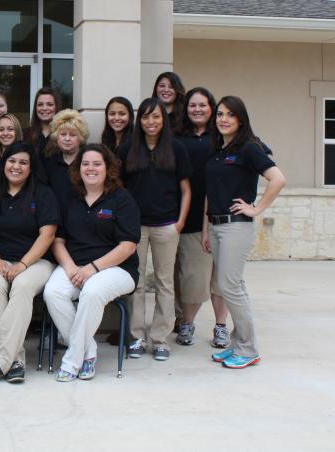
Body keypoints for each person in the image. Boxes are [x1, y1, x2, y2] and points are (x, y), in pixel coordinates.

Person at [43, 144, 140, 382]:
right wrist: (70, 268)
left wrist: (93, 269)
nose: (91, 168)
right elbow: (58, 240)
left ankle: (72, 361)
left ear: (108, 168)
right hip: (75, 265)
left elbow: (128, 246)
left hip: (116, 269)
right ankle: (89, 351)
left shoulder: (122, 198)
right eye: (85, 164)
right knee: (53, 292)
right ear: (78, 168)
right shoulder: (70, 197)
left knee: (92, 291)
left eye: (97, 164)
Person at [205, 96, 285, 369]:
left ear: (241, 119)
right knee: (232, 285)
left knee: (229, 285)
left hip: (236, 226)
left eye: (230, 114)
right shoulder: (219, 149)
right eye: (219, 114)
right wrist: (206, 228)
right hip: (216, 225)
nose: (223, 119)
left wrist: (257, 208)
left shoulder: (249, 148)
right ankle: (238, 343)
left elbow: (278, 179)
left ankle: (248, 349)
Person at [0, 143, 58, 384]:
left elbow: (47, 235)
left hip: (36, 261)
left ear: (31, 168)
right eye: (12, 161)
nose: (16, 166)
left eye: (23, 162)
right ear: (3, 164)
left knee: (21, 286)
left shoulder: (43, 194)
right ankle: (16, 360)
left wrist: (23, 264)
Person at [117, 98, 191, 361]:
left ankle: (160, 338)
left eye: (156, 117)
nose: (151, 122)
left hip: (166, 225)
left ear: (164, 120)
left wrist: (179, 222)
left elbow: (186, 189)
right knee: (135, 282)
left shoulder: (177, 148)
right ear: (140, 121)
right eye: (146, 117)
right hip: (134, 228)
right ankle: (137, 337)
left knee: (164, 283)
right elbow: (118, 188)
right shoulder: (127, 149)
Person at [174, 87, 230, 348]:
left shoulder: (224, 136)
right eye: (192, 105)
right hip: (192, 218)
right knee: (193, 278)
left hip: (225, 216)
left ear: (212, 107)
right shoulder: (177, 138)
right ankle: (187, 322)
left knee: (222, 278)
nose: (197, 109)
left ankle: (221, 326)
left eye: (203, 105)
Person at [42, 108, 89, 204]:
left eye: (72, 135)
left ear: (80, 138)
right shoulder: (49, 164)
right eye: (63, 134)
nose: (67, 139)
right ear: (56, 137)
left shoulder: (88, 163)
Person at [24, 87, 61, 161]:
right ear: (35, 108)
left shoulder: (64, 134)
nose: (44, 108)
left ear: (56, 107)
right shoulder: (25, 134)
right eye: (40, 104)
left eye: (49, 104)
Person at [0, 113, 23, 177]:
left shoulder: (26, 157)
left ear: (17, 131)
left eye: (10, 129)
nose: (5, 133)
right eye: (1, 130)